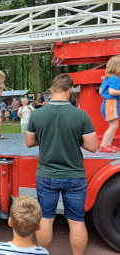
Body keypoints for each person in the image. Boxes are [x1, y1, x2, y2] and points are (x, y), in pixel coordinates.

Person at [25, 73, 98, 255]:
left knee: (46, 219)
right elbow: (93, 146)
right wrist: (74, 137)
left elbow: (29, 142)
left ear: (52, 90)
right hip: (74, 176)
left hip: (47, 175)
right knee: (76, 220)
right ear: (71, 89)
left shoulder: (38, 115)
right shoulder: (81, 115)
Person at [99, 56, 120, 152]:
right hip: (111, 103)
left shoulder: (106, 78)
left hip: (106, 103)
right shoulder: (115, 79)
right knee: (113, 126)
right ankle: (104, 145)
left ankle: (108, 144)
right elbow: (112, 92)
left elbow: (100, 91)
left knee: (113, 125)